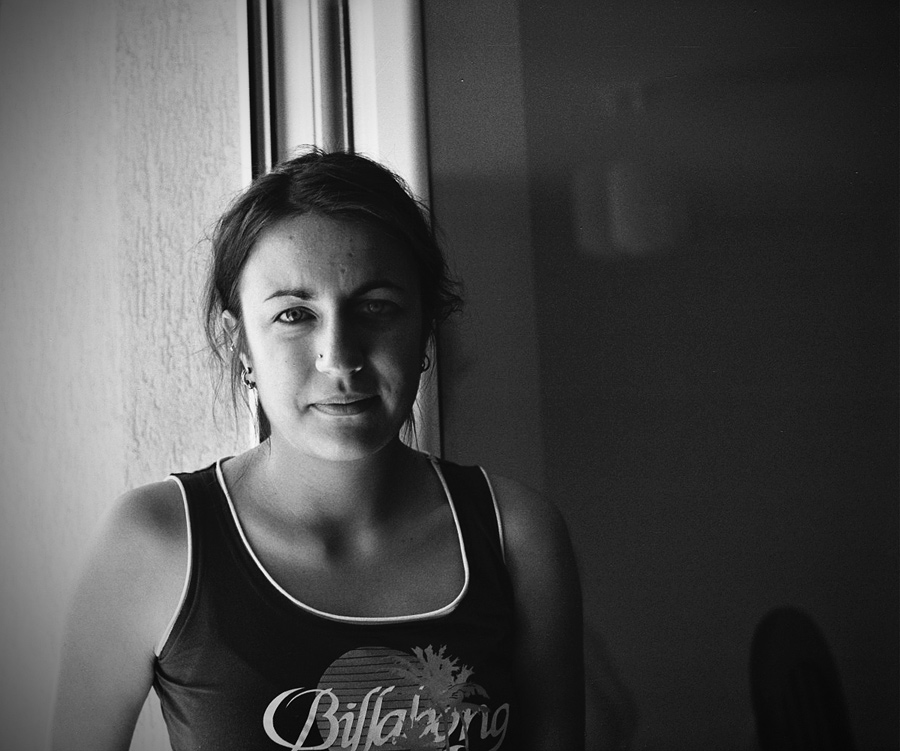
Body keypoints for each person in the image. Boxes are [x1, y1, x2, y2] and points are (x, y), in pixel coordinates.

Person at [51, 149, 584, 750]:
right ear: (241, 343)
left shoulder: (516, 536)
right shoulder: (155, 542)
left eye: (376, 307)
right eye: (295, 314)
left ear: (425, 329)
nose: (340, 356)